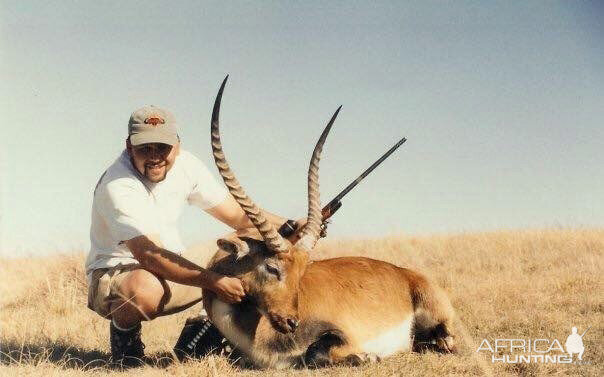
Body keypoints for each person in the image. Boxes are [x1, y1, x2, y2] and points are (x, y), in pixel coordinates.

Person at [85, 105, 297, 367]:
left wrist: (290, 224)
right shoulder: (119, 185)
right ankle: (125, 340)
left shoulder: (186, 165)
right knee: (145, 289)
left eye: (162, 147)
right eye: (145, 148)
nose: (155, 156)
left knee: (246, 245)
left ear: (177, 145)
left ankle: (203, 328)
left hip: (170, 261)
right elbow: (149, 255)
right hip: (121, 273)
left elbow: (237, 216)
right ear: (129, 147)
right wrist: (214, 281)